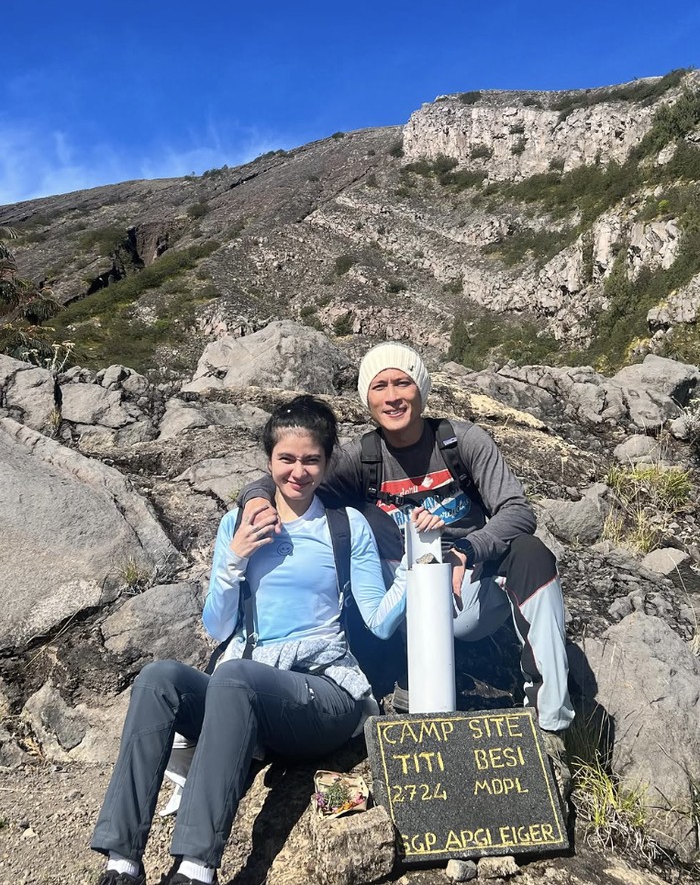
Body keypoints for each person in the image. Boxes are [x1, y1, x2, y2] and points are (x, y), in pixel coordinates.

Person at [90, 395, 408, 885]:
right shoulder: (235, 524)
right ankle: (121, 861)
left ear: (326, 464)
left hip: (323, 692)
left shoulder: (346, 527)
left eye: (310, 460)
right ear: (268, 461)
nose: (297, 472)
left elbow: (380, 622)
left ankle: (195, 867)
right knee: (158, 679)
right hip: (247, 692)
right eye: (286, 459)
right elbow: (218, 628)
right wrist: (232, 562)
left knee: (235, 677)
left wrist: (411, 571)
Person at [240, 343, 575, 793]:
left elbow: (517, 509)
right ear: (367, 398)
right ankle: (391, 688)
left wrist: (470, 550)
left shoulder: (462, 441)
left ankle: (551, 724)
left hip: (466, 590)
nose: (392, 396)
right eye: (379, 386)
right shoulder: (363, 458)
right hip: (403, 601)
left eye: (403, 382)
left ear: (422, 389)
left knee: (533, 554)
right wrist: (257, 497)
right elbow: (297, 469)